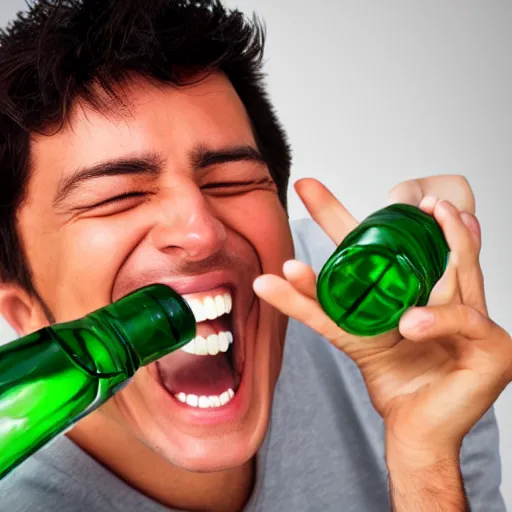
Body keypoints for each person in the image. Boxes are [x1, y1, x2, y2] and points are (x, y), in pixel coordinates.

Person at [0, 1, 509, 511]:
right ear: (24, 314)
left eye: (231, 180)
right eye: (118, 197)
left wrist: (425, 455)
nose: (200, 231)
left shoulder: (383, 317)